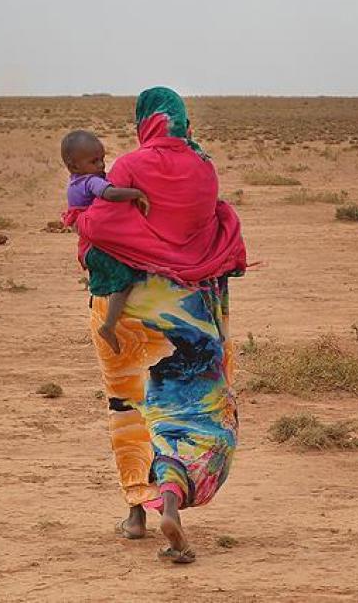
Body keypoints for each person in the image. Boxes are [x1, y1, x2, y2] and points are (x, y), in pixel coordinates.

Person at [74, 87, 247, 564]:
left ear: (144, 122)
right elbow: (214, 228)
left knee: (128, 406)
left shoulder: (128, 166)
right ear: (181, 120)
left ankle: (136, 514)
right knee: (187, 408)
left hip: (125, 312)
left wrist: (85, 222)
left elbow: (102, 226)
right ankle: (171, 495)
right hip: (187, 310)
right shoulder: (203, 166)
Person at [61, 130, 150, 354]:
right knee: (125, 279)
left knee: (101, 285)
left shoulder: (75, 182)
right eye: (94, 161)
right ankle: (109, 325)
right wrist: (136, 192)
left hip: (88, 249)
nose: (101, 165)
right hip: (96, 248)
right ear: (74, 166)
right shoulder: (90, 182)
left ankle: (103, 316)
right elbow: (109, 195)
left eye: (102, 158)